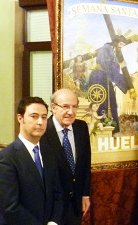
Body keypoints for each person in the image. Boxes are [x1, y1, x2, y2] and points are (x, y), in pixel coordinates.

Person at [0, 96, 63, 225]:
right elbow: (9, 207)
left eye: (44, 117)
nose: (40, 122)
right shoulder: (5, 158)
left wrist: (54, 221)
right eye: (34, 116)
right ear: (20, 118)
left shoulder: (49, 154)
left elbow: (58, 193)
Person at [41, 88, 91, 225]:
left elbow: (85, 164)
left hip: (75, 203)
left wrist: (85, 194)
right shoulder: (42, 131)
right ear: (53, 108)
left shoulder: (81, 127)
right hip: (51, 205)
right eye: (65, 106)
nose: (71, 111)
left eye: (74, 106)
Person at [88, 35, 137, 133]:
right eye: (121, 45)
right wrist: (127, 82)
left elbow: (112, 70)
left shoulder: (110, 49)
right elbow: (112, 71)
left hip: (104, 77)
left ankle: (113, 130)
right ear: (116, 43)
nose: (121, 47)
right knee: (104, 104)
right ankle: (105, 129)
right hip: (99, 78)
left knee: (112, 103)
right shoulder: (106, 49)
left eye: (123, 45)